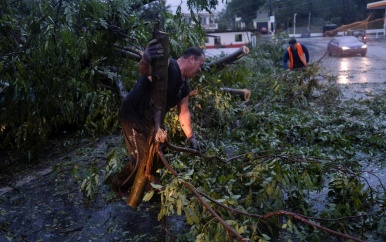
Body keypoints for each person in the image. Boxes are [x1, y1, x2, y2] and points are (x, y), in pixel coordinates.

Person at [112, 40, 205, 197]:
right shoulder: (168, 65)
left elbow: (183, 113)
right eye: (200, 64)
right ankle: (119, 187)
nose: (200, 69)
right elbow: (145, 70)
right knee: (142, 157)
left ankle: (150, 190)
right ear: (191, 59)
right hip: (133, 114)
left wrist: (191, 137)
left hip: (151, 122)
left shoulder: (184, 87)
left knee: (156, 156)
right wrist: (146, 58)